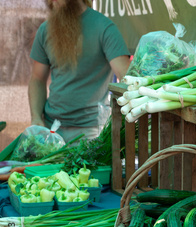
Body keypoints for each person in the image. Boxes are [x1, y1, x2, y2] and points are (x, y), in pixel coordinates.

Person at [28, 0, 131, 144]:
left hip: (89, 132)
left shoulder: (104, 27)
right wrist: (36, 118)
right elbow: (37, 79)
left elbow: (126, 77)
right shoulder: (46, 29)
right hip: (51, 129)